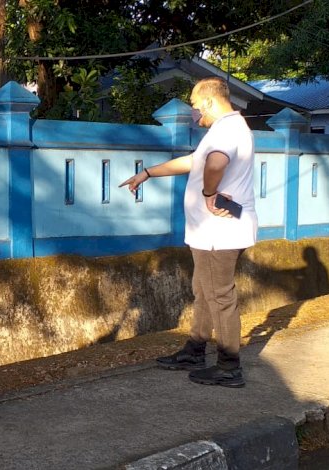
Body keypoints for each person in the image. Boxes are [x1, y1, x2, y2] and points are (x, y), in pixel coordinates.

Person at [119, 77, 256, 388]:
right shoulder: (224, 130)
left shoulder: (228, 129)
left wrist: (209, 193)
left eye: (196, 107)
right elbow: (197, 161)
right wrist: (148, 172)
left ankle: (229, 365)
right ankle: (195, 349)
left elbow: (215, 163)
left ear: (208, 102)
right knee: (204, 291)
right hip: (208, 232)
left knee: (219, 296)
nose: (196, 114)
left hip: (219, 232)